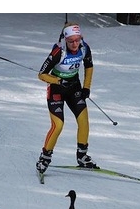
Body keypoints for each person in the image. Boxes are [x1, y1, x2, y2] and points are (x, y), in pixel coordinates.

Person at [36, 22, 98, 175]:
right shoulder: (59, 51)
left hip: (74, 88)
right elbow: (41, 74)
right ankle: (44, 158)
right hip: (57, 89)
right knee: (58, 125)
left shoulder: (84, 48)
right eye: (71, 41)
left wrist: (86, 87)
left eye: (77, 40)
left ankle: (82, 156)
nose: (75, 44)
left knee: (84, 120)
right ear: (65, 40)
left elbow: (89, 66)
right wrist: (57, 80)